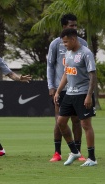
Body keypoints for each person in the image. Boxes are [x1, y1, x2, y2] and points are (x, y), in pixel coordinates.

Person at [47, 13, 87, 162]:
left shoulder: (83, 43)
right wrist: (51, 86)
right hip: (61, 88)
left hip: (77, 89)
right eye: (71, 26)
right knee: (59, 120)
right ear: (64, 27)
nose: (75, 28)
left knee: (77, 120)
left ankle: (78, 152)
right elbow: (50, 65)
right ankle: (57, 152)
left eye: (76, 25)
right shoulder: (55, 44)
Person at [54, 28, 97, 166]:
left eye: (66, 42)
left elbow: (93, 75)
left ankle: (92, 158)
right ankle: (74, 151)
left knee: (85, 124)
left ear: (73, 39)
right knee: (60, 122)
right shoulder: (68, 53)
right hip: (69, 93)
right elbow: (66, 74)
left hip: (83, 93)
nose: (64, 45)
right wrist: (58, 91)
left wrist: (89, 95)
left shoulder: (86, 53)